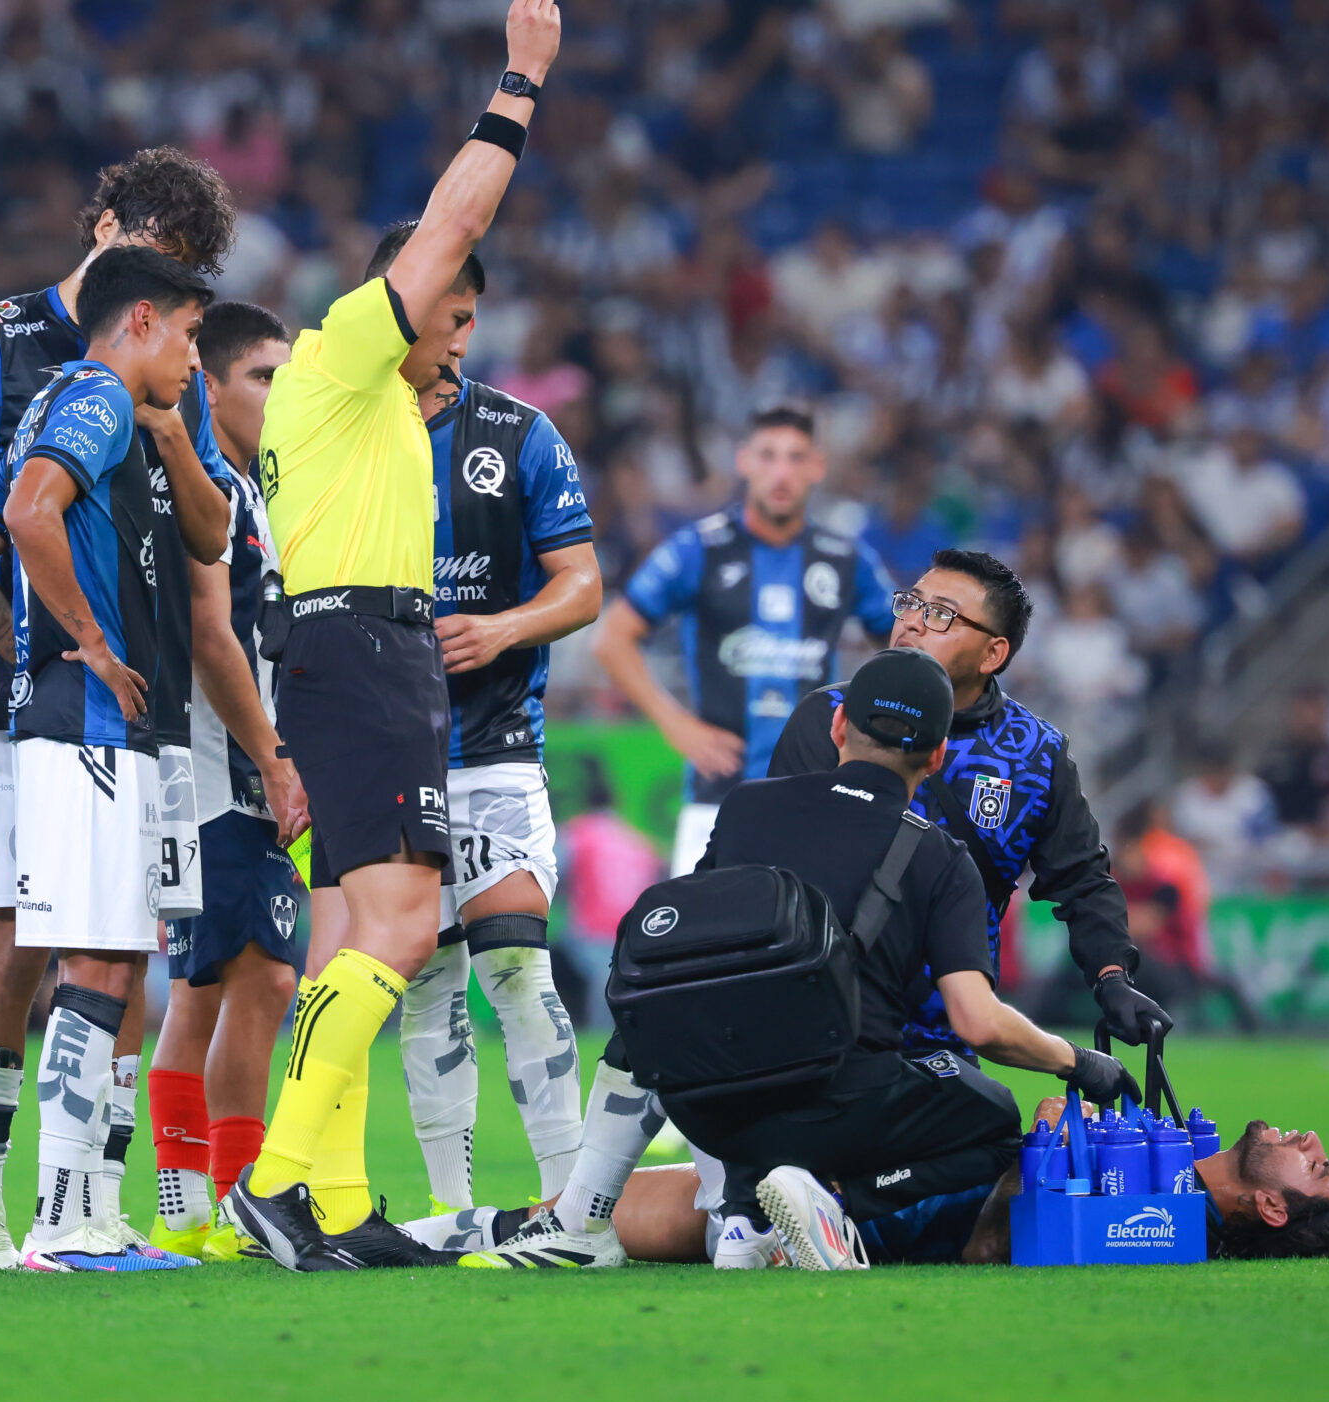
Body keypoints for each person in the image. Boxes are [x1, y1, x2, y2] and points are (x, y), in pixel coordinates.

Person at [219, 0, 563, 1272]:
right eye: (454, 314)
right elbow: (458, 209)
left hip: (341, 648)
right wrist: (520, 79)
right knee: (411, 928)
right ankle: (277, 1178)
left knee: (356, 933)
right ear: (402, 302)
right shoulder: (353, 348)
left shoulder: (355, 408)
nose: (464, 339)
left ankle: (340, 1201)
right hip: (367, 650)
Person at [468, 648, 1139, 1271]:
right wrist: (1080, 1063)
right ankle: (839, 1204)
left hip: (709, 1105)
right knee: (995, 1122)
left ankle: (682, 1213)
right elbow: (978, 1022)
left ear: (839, 723)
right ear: (937, 755)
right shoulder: (940, 857)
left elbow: (683, 958)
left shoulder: (745, 808)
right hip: (836, 1107)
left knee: (669, 1017)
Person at [0, 146, 238, 1272]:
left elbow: (203, 546)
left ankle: (92, 1198)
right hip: (73, 720)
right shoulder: (20, 352)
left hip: (137, 714)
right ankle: (15, 1209)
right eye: (181, 300)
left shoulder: (139, 387)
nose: (199, 344)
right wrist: (24, 659)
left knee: (119, 950)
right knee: (41, 947)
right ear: (115, 246)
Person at [770, 549, 1166, 1057]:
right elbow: (775, 860)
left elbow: (1084, 881)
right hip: (817, 1023)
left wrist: (1112, 977)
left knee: (997, 1125)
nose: (912, 623)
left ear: (992, 654)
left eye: (939, 614)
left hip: (948, 1038)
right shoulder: (830, 714)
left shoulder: (1036, 755)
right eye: (911, 604)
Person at [399, 286, 602, 1218]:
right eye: (441, 304)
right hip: (385, 752)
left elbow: (584, 584)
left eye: (469, 308)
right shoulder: (340, 424)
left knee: (515, 966)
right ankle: (452, 1210)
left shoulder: (519, 433)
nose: (458, 324)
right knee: (424, 977)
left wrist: (506, 627)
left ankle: (568, 1204)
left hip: (494, 745)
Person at [139, 303, 312, 1259]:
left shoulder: (253, 492)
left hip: (221, 764)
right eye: (264, 377)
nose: (281, 396)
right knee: (258, 978)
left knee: (212, 985)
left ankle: (189, 1206)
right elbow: (215, 640)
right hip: (216, 766)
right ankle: (231, 1202)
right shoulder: (218, 496)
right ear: (211, 384)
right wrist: (276, 759)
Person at [596, 407, 894, 874]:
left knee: (813, 942)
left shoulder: (845, 560)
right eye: (768, 455)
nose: (781, 472)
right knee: (696, 944)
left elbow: (902, 651)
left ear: (817, 467)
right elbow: (613, 639)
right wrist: (677, 726)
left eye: (796, 458)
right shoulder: (700, 548)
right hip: (717, 800)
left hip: (816, 802)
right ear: (744, 461)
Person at [586, 1092, 1329, 1266]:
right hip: (878, 1142)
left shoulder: (1170, 1226)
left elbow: (992, 1253)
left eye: (1318, 1164)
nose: (1311, 1138)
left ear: (1272, 1204)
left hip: (876, 1210)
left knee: (598, 1215)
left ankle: (481, 1229)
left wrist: (1042, 1155)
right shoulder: (1172, 1162)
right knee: (590, 1206)